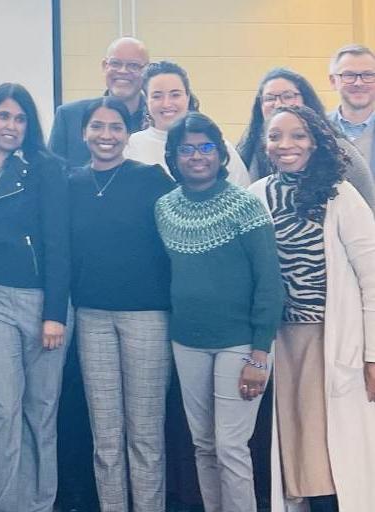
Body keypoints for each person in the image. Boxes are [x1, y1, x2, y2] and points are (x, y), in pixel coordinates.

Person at [154, 112, 283, 512]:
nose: (197, 156)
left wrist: (259, 355)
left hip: (241, 344)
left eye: (206, 147)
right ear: (173, 157)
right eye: (186, 149)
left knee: (230, 446)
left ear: (220, 152)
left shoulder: (245, 206)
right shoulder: (163, 208)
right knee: (203, 445)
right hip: (187, 341)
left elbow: (269, 282)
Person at [249, 105, 375, 512]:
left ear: (317, 141)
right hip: (278, 342)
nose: (285, 145)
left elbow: (372, 278)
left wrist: (373, 355)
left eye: (298, 135)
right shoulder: (255, 196)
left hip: (330, 340)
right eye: (275, 136)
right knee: (296, 451)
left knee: (327, 451)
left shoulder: (340, 195)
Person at [0, 82, 70, 512]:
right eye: (3, 116)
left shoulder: (46, 167)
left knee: (39, 411)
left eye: (20, 118)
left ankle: (40, 504)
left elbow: (60, 242)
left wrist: (55, 313)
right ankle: (1, 505)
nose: (11, 125)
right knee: (3, 406)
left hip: (42, 300)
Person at [68, 97, 174, 512]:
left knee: (145, 436)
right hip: (91, 317)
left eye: (115, 127)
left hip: (147, 318)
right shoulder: (71, 183)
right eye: (97, 126)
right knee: (106, 438)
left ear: (128, 134)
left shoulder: (151, 179)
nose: (106, 135)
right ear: (84, 133)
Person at [238, 67, 375, 209]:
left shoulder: (339, 151)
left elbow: (367, 208)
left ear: (306, 100)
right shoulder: (249, 151)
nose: (278, 104)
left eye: (288, 96)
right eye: (270, 98)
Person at [125, 61, 252, 187]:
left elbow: (243, 192)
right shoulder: (131, 146)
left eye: (175, 95)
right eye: (157, 96)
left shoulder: (215, 145)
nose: (167, 104)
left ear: (187, 97)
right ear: (146, 100)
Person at [49, 37, 149, 167]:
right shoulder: (69, 116)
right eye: (115, 63)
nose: (123, 71)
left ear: (146, 71)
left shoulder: (158, 120)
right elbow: (51, 175)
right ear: (104, 66)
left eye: (133, 65)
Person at [328, 44, 375, 171]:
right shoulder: (319, 128)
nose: (359, 83)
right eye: (349, 75)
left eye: (368, 75)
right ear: (333, 81)